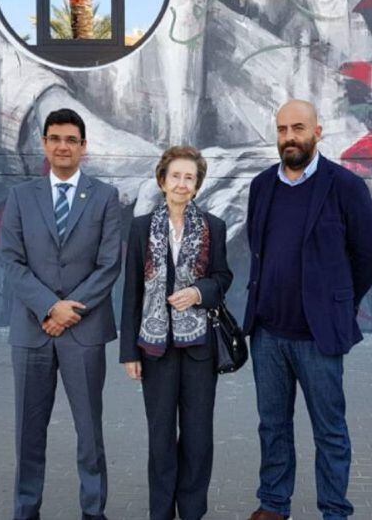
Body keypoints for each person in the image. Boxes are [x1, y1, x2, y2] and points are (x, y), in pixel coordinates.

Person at [243, 100, 372, 520]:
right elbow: (258, 247)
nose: (289, 137)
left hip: (318, 338)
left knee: (330, 431)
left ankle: (335, 510)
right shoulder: (262, 185)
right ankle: (273, 503)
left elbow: (368, 257)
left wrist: (338, 304)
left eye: (298, 128)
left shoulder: (345, 187)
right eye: (282, 129)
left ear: (317, 132)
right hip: (267, 334)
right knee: (273, 426)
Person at [0, 108, 122, 520]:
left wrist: (69, 311)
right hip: (33, 330)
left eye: (71, 139)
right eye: (55, 138)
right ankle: (26, 509)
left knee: (89, 432)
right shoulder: (20, 197)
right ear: (45, 144)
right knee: (28, 433)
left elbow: (109, 265)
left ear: (83, 147)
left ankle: (93, 511)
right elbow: (13, 261)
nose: (63, 146)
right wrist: (50, 307)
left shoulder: (105, 196)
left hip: (82, 333)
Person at [120, 146, 233, 520]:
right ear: (162, 180)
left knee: (198, 438)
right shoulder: (139, 228)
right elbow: (131, 292)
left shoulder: (214, 227)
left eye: (190, 177)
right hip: (155, 350)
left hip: (200, 349)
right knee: (161, 438)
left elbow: (222, 278)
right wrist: (129, 353)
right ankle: (161, 512)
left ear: (197, 186)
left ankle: (193, 511)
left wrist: (199, 292)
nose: (182, 183)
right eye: (176, 176)